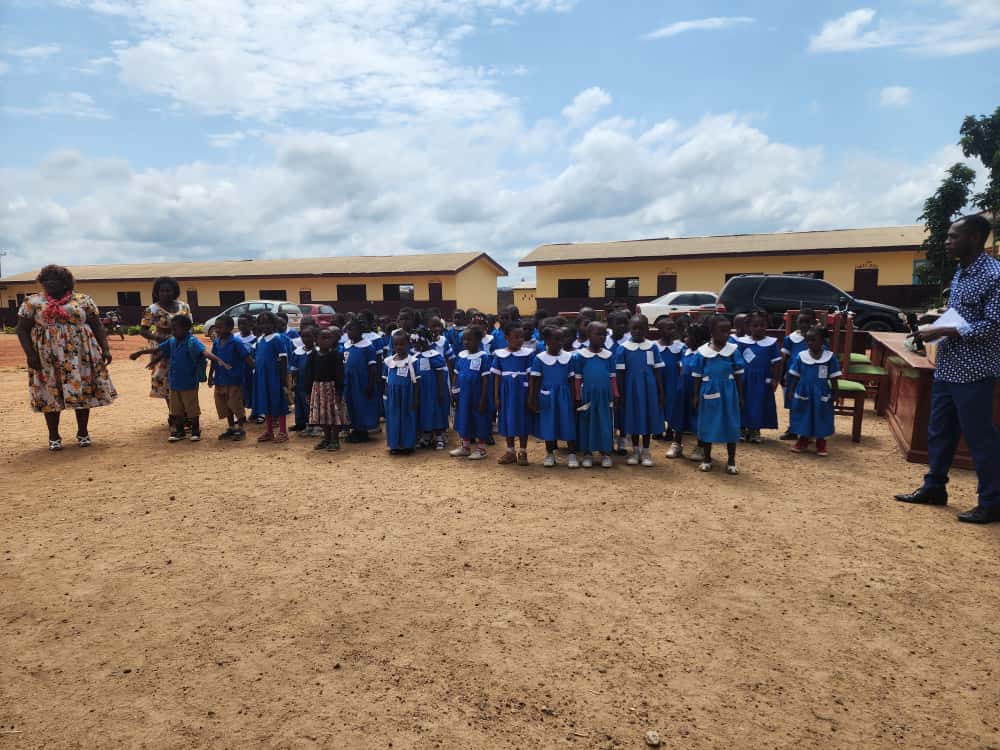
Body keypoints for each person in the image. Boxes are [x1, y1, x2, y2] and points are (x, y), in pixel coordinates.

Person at [895, 214, 1000, 524]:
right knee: (940, 431)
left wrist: (944, 331)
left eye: (954, 236)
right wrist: (935, 321)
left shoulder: (995, 276)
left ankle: (992, 502)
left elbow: (992, 325)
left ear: (974, 238)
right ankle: (934, 488)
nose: (947, 241)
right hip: (948, 366)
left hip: (975, 371)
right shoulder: (961, 271)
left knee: (980, 437)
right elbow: (962, 313)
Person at [15, 264, 117, 450]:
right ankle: (54, 436)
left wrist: (106, 349)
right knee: (50, 394)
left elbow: (97, 325)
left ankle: (83, 432)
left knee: (82, 390)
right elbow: (21, 329)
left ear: (65, 283)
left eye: (54, 280)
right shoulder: (32, 302)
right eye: (46, 280)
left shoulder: (83, 300)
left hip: (81, 354)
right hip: (47, 356)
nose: (49, 283)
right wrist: (30, 354)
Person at [131, 314, 231, 442]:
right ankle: (180, 431)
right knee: (176, 409)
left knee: (192, 409)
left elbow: (204, 352)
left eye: (175, 329)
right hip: (174, 383)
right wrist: (141, 353)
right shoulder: (172, 341)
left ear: (186, 329)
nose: (172, 332)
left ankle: (195, 431)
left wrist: (218, 361)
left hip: (189, 383)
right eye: (172, 329)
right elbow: (159, 349)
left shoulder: (192, 341)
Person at [690, 316, 745, 474]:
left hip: (729, 392)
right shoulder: (702, 352)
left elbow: (739, 375)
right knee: (708, 424)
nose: (726, 334)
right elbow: (697, 376)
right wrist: (695, 395)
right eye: (722, 331)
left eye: (728, 331)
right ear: (712, 332)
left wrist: (740, 395)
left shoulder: (733, 351)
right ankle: (707, 459)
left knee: (731, 424)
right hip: (708, 391)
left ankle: (731, 461)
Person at [139, 276, 191, 422]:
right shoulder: (152, 309)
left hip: (182, 345)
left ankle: (185, 413)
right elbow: (143, 330)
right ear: (157, 292)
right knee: (165, 380)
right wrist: (158, 337)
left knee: (182, 377)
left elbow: (190, 326)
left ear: (175, 291)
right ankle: (174, 413)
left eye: (168, 290)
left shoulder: (184, 307)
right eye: (162, 291)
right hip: (162, 348)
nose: (165, 293)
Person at [615, 314, 665, 467]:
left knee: (648, 418)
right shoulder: (623, 348)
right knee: (634, 418)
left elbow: (657, 371)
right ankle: (635, 451)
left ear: (647, 329)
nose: (637, 331)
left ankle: (646, 451)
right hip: (631, 389)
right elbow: (620, 373)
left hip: (649, 389)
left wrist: (660, 392)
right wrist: (620, 393)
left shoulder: (652, 347)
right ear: (629, 329)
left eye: (641, 328)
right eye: (634, 328)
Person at [529, 326, 579, 468]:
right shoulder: (539, 358)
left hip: (565, 395)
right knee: (548, 424)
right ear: (546, 340)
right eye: (556, 339)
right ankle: (550, 454)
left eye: (562, 339)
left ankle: (572, 454)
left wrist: (575, 397)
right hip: (547, 396)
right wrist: (532, 398)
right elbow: (535, 380)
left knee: (568, 423)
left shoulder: (569, 357)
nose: (560, 342)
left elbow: (571, 379)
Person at [787, 325, 841, 456]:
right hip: (804, 392)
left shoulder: (830, 357)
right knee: (803, 415)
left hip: (821, 392)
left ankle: (821, 443)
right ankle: (802, 440)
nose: (810, 343)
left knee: (822, 415)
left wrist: (835, 391)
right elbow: (795, 375)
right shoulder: (801, 356)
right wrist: (791, 390)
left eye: (813, 340)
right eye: (808, 340)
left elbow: (834, 377)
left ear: (822, 341)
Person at [574, 321, 618, 468]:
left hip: (605, 396)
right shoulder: (580, 356)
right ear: (588, 335)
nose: (602, 337)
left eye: (604, 334)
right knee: (587, 423)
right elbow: (578, 378)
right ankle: (587, 453)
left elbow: (612, 377)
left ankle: (605, 453)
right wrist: (578, 396)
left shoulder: (609, 355)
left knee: (605, 423)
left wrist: (615, 394)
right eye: (598, 334)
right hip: (587, 395)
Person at [492, 321, 534, 466]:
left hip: (522, 392)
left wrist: (530, 395)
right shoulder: (499, 355)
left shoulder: (528, 354)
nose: (520, 340)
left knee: (523, 419)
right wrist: (496, 397)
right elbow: (497, 377)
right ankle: (510, 451)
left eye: (522, 337)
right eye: (516, 337)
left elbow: (531, 376)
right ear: (507, 338)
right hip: (506, 393)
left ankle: (523, 451)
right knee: (507, 419)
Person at [207, 314, 255, 441]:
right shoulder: (216, 342)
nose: (217, 330)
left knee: (235, 404)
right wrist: (211, 375)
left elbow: (247, 358)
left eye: (220, 327)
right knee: (224, 404)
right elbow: (214, 360)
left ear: (229, 328)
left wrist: (256, 370)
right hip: (220, 379)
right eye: (216, 327)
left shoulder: (236, 342)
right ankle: (231, 427)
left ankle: (241, 429)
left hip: (234, 380)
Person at [737, 310, 782, 443]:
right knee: (743, 402)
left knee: (758, 404)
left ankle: (755, 430)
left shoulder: (771, 343)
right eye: (755, 325)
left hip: (762, 380)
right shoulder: (742, 342)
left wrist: (775, 379)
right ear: (749, 327)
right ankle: (741, 428)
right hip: (745, 379)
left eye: (762, 325)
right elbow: (737, 360)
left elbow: (777, 362)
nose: (759, 328)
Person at [450, 326, 491, 460]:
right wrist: (454, 391)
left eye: (469, 339)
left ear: (478, 340)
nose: (466, 342)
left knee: (479, 420)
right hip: (463, 396)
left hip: (477, 395)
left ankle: (481, 449)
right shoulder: (461, 355)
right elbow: (456, 374)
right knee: (464, 418)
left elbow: (485, 380)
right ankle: (465, 447)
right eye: (464, 339)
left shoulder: (484, 357)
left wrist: (483, 398)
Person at [670, 322, 710, 462]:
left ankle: (700, 447)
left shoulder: (704, 354)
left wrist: (697, 394)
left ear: (698, 339)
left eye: (688, 337)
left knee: (699, 418)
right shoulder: (684, 351)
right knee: (680, 416)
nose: (684, 339)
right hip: (682, 390)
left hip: (697, 391)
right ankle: (677, 444)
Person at [251, 312, 290, 443]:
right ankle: (269, 431)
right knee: (265, 401)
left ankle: (283, 432)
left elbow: (283, 359)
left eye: (269, 323)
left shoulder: (277, 339)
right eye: (262, 323)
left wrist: (283, 379)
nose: (265, 326)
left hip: (274, 376)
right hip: (262, 377)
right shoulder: (260, 340)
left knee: (278, 402)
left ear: (275, 324)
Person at [304, 327, 345, 451]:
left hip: (332, 389)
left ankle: (335, 440)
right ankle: (326, 438)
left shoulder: (336, 355)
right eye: (323, 338)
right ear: (316, 340)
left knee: (335, 415)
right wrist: (308, 392)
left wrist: (339, 391)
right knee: (321, 416)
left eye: (329, 338)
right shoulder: (312, 355)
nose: (326, 341)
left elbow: (339, 374)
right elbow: (309, 374)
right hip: (318, 389)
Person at [779, 309, 816, 440]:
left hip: (810, 377)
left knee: (809, 403)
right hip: (793, 376)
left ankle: (808, 430)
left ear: (814, 322)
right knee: (793, 402)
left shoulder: (817, 338)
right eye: (801, 321)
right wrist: (781, 375)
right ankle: (793, 429)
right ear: (797, 322)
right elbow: (784, 358)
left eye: (808, 321)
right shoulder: (790, 338)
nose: (804, 324)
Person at [342, 319, 380, 443]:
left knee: (362, 406)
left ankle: (363, 432)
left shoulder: (368, 347)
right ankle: (355, 429)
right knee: (351, 404)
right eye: (347, 329)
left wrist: (370, 384)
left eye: (352, 329)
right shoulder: (346, 346)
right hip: (349, 382)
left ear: (360, 330)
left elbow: (372, 368)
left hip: (362, 382)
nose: (349, 332)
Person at [383, 331, 421, 454]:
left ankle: (407, 445)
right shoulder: (388, 361)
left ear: (408, 345)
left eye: (402, 344)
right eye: (396, 344)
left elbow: (416, 382)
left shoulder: (413, 361)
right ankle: (395, 445)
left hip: (407, 395)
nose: (399, 347)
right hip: (393, 396)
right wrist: (385, 396)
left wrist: (415, 399)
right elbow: (386, 380)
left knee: (407, 418)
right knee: (393, 419)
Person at [413, 329, 450, 450]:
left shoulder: (434, 356)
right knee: (424, 412)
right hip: (422, 391)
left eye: (418, 342)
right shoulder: (416, 357)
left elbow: (440, 375)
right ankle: (427, 436)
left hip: (433, 391)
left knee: (436, 411)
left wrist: (440, 391)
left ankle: (439, 437)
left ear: (425, 341)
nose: (415, 345)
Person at [656, 318, 686, 453]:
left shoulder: (679, 347)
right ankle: (658, 428)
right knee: (658, 402)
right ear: (660, 331)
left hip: (673, 379)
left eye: (674, 328)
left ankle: (670, 429)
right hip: (658, 378)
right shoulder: (654, 346)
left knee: (672, 402)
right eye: (669, 328)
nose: (673, 331)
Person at [289, 326, 318, 435]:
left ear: (315, 337)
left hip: (312, 383)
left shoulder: (317, 351)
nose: (306, 339)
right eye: (303, 336)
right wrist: (293, 382)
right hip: (300, 382)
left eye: (308, 336)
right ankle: (300, 423)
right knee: (299, 402)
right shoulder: (297, 352)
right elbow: (294, 369)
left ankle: (312, 424)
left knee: (310, 403)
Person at [235, 314, 257, 420]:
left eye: (244, 324)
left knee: (253, 389)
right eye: (239, 324)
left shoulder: (255, 339)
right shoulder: (235, 338)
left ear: (251, 325)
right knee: (239, 391)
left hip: (251, 370)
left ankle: (255, 412)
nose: (241, 326)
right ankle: (241, 414)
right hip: (238, 370)